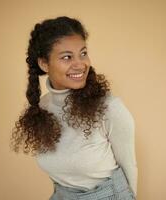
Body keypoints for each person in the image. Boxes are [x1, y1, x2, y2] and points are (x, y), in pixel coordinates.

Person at [10, 16, 138, 200]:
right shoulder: (42, 108)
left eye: (83, 53)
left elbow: (129, 166)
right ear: (44, 63)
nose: (80, 64)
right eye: (67, 57)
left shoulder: (109, 107)